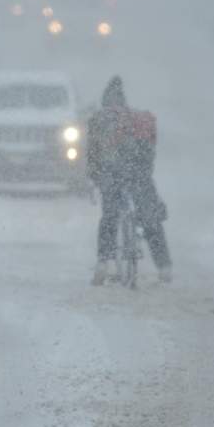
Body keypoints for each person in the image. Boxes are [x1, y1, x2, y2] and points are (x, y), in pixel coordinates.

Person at [85, 76, 172, 285]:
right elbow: (149, 151)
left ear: (105, 102)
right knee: (150, 216)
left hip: (113, 173)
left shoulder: (99, 119)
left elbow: (93, 156)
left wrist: (95, 178)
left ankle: (103, 264)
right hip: (138, 172)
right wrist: (143, 173)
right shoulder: (139, 119)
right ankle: (164, 266)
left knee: (109, 217)